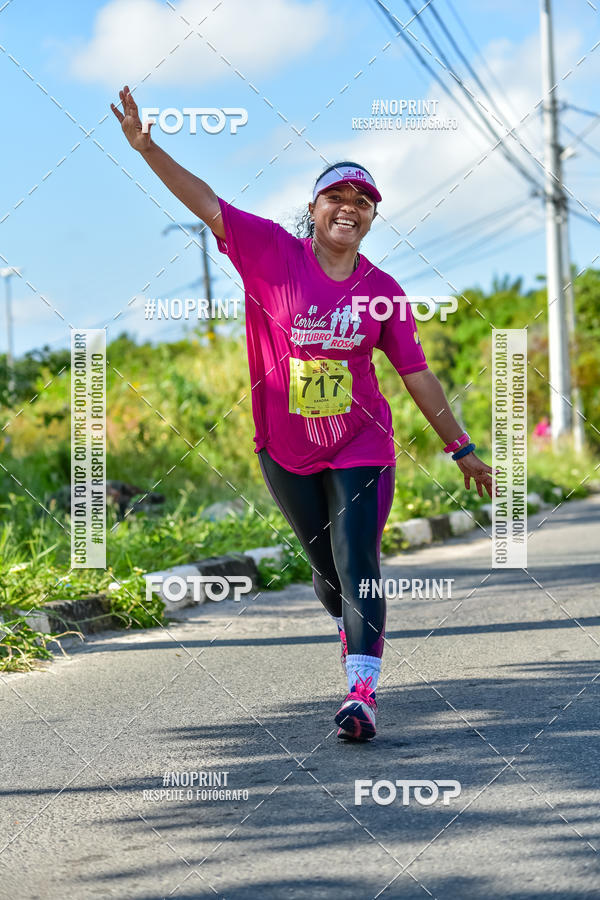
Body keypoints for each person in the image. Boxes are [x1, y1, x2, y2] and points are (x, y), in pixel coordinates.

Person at [111, 86, 494, 742]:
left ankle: (362, 692)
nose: (350, 209)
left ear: (371, 218)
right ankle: (353, 642)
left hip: (362, 441)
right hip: (283, 444)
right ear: (313, 209)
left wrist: (461, 449)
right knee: (326, 571)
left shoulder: (383, 292)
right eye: (337, 198)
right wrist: (150, 151)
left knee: (359, 560)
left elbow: (417, 376)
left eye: (363, 203)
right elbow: (206, 203)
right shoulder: (268, 253)